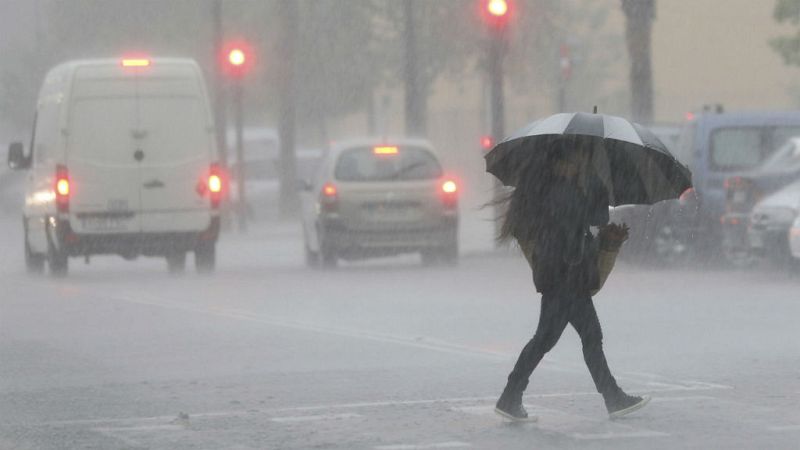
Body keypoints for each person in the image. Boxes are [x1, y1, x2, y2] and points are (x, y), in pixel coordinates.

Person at [494, 136, 651, 421]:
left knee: (557, 339)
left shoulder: (553, 190)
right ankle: (612, 397)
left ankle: (511, 395)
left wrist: (589, 188)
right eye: (578, 158)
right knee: (574, 339)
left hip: (562, 276)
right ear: (561, 163)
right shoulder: (563, 192)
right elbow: (591, 217)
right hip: (566, 278)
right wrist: (592, 186)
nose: (580, 162)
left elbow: (585, 223)